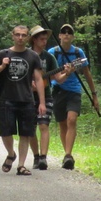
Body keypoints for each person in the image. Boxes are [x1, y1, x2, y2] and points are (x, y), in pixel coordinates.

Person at [0, 25, 65, 176]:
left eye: (23, 35)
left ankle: (21, 165)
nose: (20, 38)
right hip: (7, 98)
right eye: (17, 35)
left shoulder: (33, 56)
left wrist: (42, 102)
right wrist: (3, 65)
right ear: (13, 36)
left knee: (25, 133)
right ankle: (10, 154)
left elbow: (39, 79)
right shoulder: (4, 53)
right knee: (5, 132)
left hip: (26, 99)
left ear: (28, 37)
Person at [48, 24, 100, 170]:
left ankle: (68, 155)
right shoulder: (53, 52)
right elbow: (47, 73)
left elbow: (87, 73)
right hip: (57, 90)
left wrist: (94, 95)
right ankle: (67, 155)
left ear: (73, 37)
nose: (66, 35)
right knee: (63, 123)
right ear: (59, 36)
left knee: (72, 119)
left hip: (74, 91)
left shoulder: (78, 53)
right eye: (63, 32)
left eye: (69, 33)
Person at [28, 25, 71, 170]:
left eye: (46, 39)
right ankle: (35, 156)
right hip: (27, 97)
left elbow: (58, 79)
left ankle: (43, 158)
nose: (44, 41)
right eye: (41, 39)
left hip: (46, 96)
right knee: (30, 129)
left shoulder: (49, 57)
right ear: (34, 40)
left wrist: (68, 73)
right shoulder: (26, 55)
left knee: (43, 125)